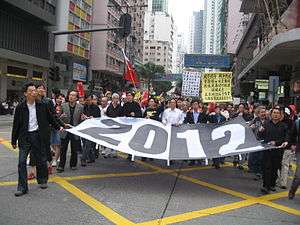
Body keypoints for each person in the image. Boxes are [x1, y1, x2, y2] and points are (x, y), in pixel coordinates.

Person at [11, 83, 63, 197]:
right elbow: (16, 125)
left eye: (35, 90)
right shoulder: (20, 107)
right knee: (21, 162)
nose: (34, 92)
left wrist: (59, 127)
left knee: (41, 159)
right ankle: (22, 187)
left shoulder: (42, 105)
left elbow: (51, 118)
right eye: (31, 91)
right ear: (25, 93)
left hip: (37, 136)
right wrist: (13, 140)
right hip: (24, 137)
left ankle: (42, 180)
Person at [258, 107, 289, 194]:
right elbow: (260, 136)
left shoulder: (284, 126)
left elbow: (285, 137)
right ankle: (266, 186)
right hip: (267, 150)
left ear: (280, 115)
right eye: (274, 113)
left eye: (277, 113)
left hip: (277, 151)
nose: (275, 114)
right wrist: (260, 131)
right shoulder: (266, 124)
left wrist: (277, 142)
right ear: (271, 114)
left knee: (274, 168)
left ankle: (272, 184)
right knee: (266, 168)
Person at [57, 90, 84, 173]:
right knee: (63, 149)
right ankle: (61, 166)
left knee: (74, 149)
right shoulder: (63, 105)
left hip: (75, 130)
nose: (71, 97)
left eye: (73, 95)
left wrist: (82, 119)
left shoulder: (80, 107)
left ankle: (73, 164)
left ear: (76, 98)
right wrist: (60, 116)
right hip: (65, 130)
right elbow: (57, 118)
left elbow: (81, 120)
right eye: (70, 95)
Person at [184, 100, 208, 166]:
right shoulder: (189, 113)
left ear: (198, 105)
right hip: (191, 132)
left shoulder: (202, 113)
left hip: (199, 132)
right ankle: (192, 160)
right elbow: (186, 121)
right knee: (192, 146)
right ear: (192, 105)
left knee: (199, 146)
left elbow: (205, 121)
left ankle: (199, 159)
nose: (195, 106)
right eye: (194, 104)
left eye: (196, 104)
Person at [81, 95, 101, 166]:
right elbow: (81, 115)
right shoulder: (84, 107)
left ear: (92, 100)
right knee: (84, 143)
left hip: (92, 128)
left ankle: (83, 159)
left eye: (89, 100)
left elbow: (99, 119)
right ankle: (92, 157)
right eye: (87, 100)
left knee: (88, 144)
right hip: (84, 127)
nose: (88, 101)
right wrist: (83, 117)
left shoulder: (96, 108)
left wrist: (93, 118)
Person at [248, 106, 267, 180]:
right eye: (261, 112)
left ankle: (259, 172)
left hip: (264, 142)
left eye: (264, 112)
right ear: (258, 113)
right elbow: (248, 127)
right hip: (256, 141)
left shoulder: (268, 120)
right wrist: (251, 127)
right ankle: (256, 171)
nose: (263, 113)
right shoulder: (256, 120)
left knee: (261, 158)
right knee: (253, 158)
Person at [123, 92, 142, 160]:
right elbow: (123, 114)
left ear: (133, 97)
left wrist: (135, 114)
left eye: (130, 95)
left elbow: (140, 114)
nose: (128, 97)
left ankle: (133, 153)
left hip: (134, 124)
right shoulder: (125, 105)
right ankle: (129, 154)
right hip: (128, 124)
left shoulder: (136, 104)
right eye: (127, 95)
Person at [105, 93, 124, 158]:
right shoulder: (109, 107)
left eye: (117, 98)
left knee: (116, 139)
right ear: (112, 99)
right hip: (110, 125)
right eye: (114, 98)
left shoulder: (121, 107)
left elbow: (122, 117)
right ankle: (107, 152)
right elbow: (107, 116)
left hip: (117, 126)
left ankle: (114, 152)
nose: (116, 99)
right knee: (109, 139)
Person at [288, 114, 300, 199]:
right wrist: (292, 144)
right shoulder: (298, 122)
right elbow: (292, 135)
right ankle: (292, 191)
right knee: (299, 175)